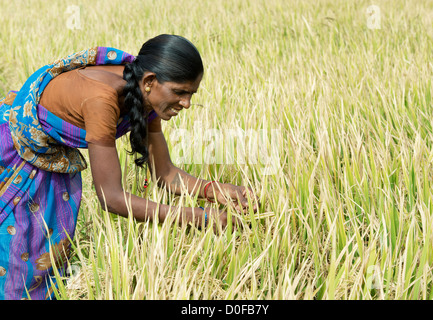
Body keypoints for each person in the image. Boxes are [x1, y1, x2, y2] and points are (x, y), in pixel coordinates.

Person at [0, 34, 258, 300]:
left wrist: (214, 190)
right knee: (16, 261)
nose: (187, 103)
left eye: (191, 94)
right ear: (149, 82)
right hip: (15, 153)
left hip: (51, 156)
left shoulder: (144, 98)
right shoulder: (102, 100)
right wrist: (198, 218)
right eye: (180, 92)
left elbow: (165, 174)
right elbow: (110, 198)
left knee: (44, 263)